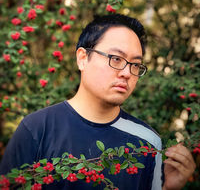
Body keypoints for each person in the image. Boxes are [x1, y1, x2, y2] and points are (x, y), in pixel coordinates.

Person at [0, 14, 196, 190]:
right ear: (83, 58)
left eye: (135, 65)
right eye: (116, 58)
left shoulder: (148, 142)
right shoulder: (37, 129)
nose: (127, 73)